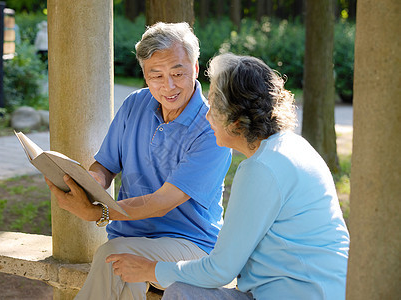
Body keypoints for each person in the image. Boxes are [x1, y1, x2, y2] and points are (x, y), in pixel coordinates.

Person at [106, 53, 350, 300]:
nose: (206, 115)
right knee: (182, 292)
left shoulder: (261, 168)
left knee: (182, 294)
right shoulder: (291, 146)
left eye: (213, 106)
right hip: (310, 291)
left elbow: (220, 270)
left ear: (236, 119)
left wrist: (149, 268)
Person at [46, 22, 232, 299]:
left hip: (192, 246)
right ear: (144, 75)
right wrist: (93, 181)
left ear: (195, 68)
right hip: (129, 238)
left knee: (115, 257)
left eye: (178, 73)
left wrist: (98, 213)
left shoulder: (211, 129)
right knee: (119, 259)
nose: (168, 86)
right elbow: (106, 164)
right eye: (155, 75)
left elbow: (160, 203)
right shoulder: (135, 103)